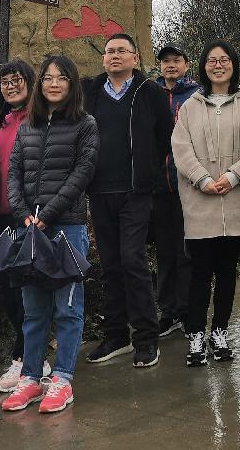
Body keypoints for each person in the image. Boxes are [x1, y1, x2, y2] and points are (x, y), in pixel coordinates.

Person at [1, 54, 99, 413]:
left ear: (72, 85)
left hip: (66, 227)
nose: (54, 84)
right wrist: (22, 213)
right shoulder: (28, 125)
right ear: (39, 84)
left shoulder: (85, 124)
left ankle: (62, 380)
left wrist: (49, 213)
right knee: (33, 310)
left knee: (68, 308)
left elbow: (83, 173)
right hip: (28, 229)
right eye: (47, 78)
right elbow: (13, 173)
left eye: (61, 78)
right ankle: (30, 378)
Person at [171, 40, 240, 366]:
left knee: (227, 272)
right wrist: (202, 179)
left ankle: (220, 331)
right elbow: (181, 148)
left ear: (234, 64)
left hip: (237, 200)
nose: (218, 65)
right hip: (201, 202)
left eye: (224, 59)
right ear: (203, 66)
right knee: (199, 272)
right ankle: (196, 334)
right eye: (212, 60)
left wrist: (234, 175)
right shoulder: (190, 107)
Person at [83, 33, 173, 368]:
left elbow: (165, 137)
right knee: (110, 265)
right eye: (110, 51)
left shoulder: (149, 91)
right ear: (103, 58)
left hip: (135, 192)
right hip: (99, 190)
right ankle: (116, 335)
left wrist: (148, 170)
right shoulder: (91, 91)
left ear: (135, 58)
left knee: (132, 260)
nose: (115, 56)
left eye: (122, 50)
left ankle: (146, 338)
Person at [0, 59, 43, 393]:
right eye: (5, 82)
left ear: (30, 82)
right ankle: (28, 355)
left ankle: (27, 358)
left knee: (27, 289)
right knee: (8, 288)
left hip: (28, 214)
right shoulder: (2, 122)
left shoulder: (39, 118)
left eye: (17, 80)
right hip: (1, 214)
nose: (10, 86)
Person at [152, 43, 199, 337]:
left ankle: (187, 310)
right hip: (157, 185)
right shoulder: (150, 94)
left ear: (186, 64)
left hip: (188, 184)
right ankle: (168, 312)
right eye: (165, 61)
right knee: (164, 252)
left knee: (187, 251)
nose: (170, 65)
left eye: (176, 60)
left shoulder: (196, 95)